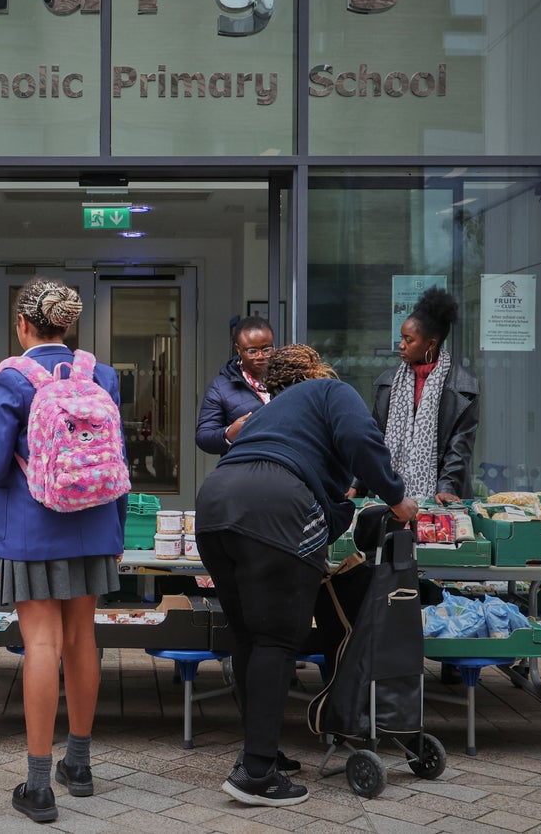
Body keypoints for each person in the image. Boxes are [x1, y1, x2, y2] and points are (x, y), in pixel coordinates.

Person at [194, 344, 417, 808]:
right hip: (276, 508)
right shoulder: (332, 391)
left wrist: (342, 494)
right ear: (319, 370)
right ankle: (256, 774)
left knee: (250, 639)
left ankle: (263, 750)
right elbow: (363, 440)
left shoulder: (270, 413)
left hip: (214, 504)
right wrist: (396, 499)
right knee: (277, 639)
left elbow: (311, 469)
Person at [0, 278, 127, 824]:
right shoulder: (100, 374)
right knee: (83, 640)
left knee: (41, 644)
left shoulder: (13, 377)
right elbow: (118, 458)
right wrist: (116, 533)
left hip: (34, 528)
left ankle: (38, 785)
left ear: (22, 325)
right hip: (96, 522)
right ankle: (78, 767)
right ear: (69, 324)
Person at [354, 286, 481, 504]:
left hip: (440, 500)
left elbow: (459, 449)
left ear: (431, 343)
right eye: (401, 338)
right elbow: (375, 439)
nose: (401, 345)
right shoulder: (389, 383)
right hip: (392, 499)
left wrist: (447, 487)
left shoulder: (463, 389)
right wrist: (358, 484)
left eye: (409, 340)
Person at [195, 316, 275, 455]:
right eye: (252, 351)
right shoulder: (221, 387)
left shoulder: (289, 379)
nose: (260, 356)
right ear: (238, 349)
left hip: (286, 467)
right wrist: (229, 434)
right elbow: (203, 437)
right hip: (245, 469)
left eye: (266, 349)